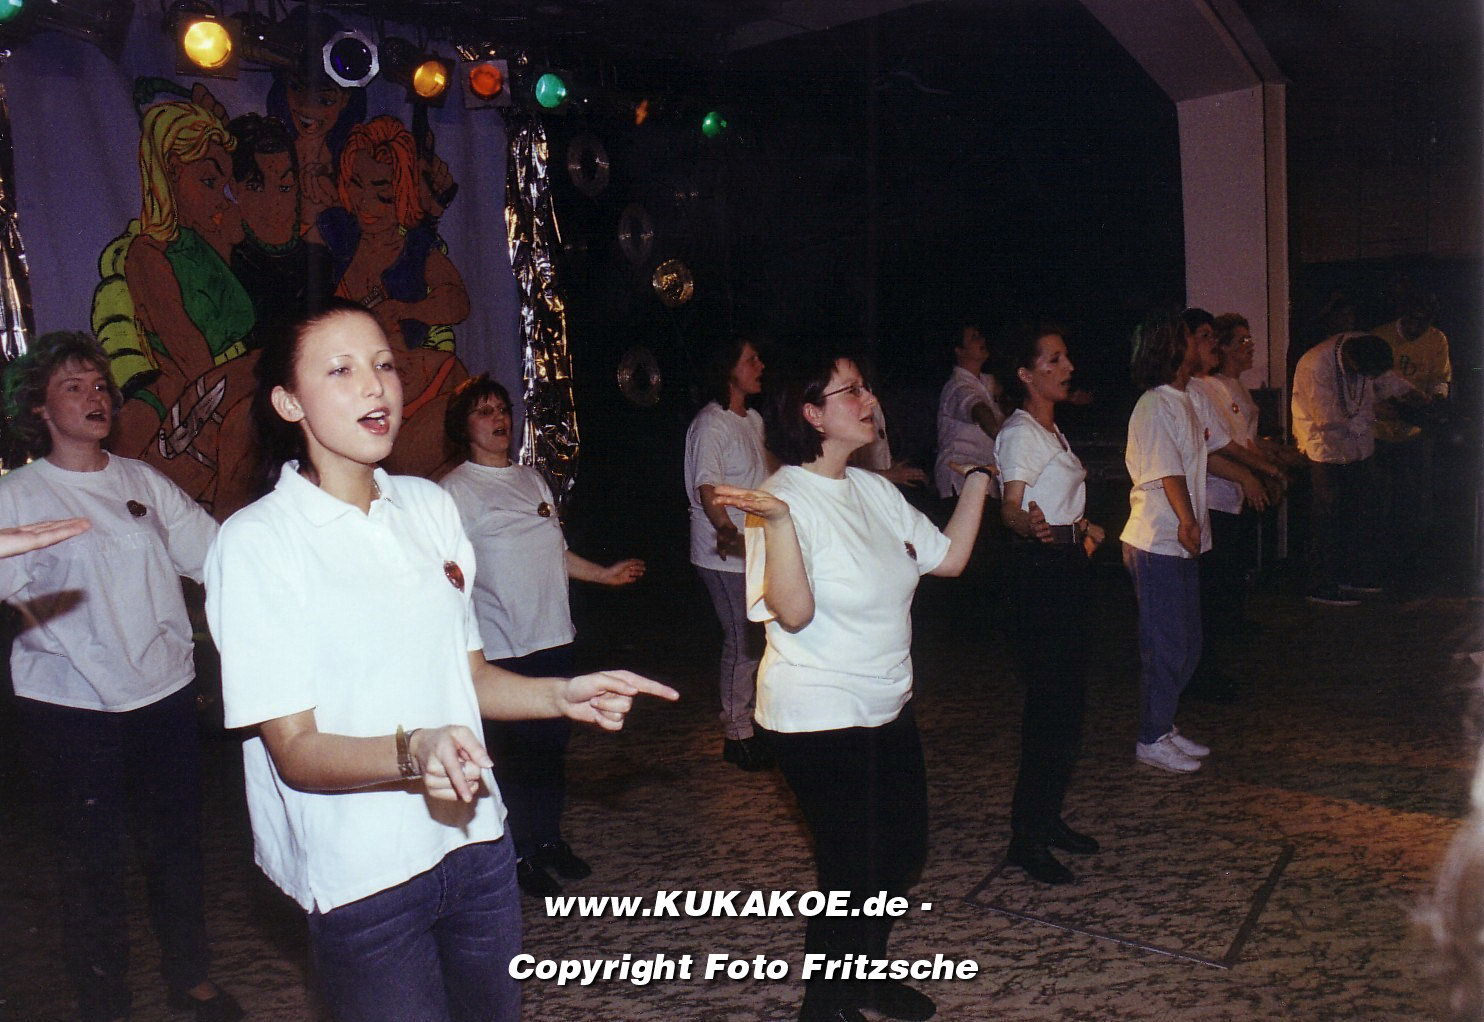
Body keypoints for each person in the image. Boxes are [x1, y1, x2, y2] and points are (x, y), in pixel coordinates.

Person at [204, 300, 676, 1022]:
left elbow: (470, 676)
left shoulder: (428, 506)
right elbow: (294, 752)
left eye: (383, 365)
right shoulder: (257, 543)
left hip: (475, 840)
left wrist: (560, 695)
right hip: (362, 877)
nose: (375, 385)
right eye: (341, 371)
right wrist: (414, 751)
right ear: (288, 402)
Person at [715, 352, 991, 1022]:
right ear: (812, 414)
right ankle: (825, 1005)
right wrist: (780, 524)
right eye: (851, 391)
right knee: (852, 867)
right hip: (815, 712)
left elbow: (949, 559)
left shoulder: (872, 489)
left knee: (902, 852)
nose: (869, 400)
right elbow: (795, 613)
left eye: (867, 387)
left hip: (886, 702)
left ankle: (865, 977)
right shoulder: (778, 499)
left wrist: (982, 479)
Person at [0, 332, 238, 1022]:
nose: (95, 397)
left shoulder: (142, 482)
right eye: (73, 387)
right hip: (69, 708)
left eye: (100, 385)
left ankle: (190, 978)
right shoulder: (18, 496)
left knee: (175, 850)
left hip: (162, 696)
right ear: (39, 407)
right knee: (90, 864)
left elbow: (219, 557)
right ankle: (104, 999)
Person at [439, 375, 645, 897]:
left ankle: (549, 839)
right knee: (512, 759)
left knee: (551, 751)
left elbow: (555, 551)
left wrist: (605, 575)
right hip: (501, 647)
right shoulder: (453, 491)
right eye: (484, 411)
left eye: (502, 408)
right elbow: (442, 572)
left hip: (552, 635)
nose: (498, 418)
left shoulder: (532, 479)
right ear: (463, 426)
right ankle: (518, 853)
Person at [994, 323, 1104, 885]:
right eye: (1053, 360)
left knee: (1068, 705)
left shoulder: (1051, 430)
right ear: (1025, 374)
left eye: (1066, 358)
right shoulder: (1019, 432)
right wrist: (1030, 526)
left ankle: (1047, 818)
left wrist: (1081, 527)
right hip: (1039, 573)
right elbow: (1010, 506)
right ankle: (1027, 838)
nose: (1067, 368)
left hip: (1065, 565)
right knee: (1049, 707)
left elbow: (1055, 498)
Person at [318, 115, 471, 478]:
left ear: (403, 192)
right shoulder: (335, 237)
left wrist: (403, 309)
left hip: (413, 389)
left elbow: (457, 302)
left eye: (382, 194)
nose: (366, 203)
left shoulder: (415, 250)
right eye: (357, 186)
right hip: (345, 397)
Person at [1121, 310, 1215, 774]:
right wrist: (1188, 521)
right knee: (1167, 646)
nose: (1203, 344)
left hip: (1179, 541)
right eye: (1192, 337)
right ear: (1172, 348)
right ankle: (1150, 737)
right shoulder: (1154, 404)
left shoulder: (1187, 398)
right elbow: (1167, 471)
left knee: (1188, 644)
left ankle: (1163, 722)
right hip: (1158, 540)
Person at [1182, 308, 1285, 702]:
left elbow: (1234, 441)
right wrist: (1253, 474)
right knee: (1205, 595)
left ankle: (1207, 667)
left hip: (1224, 501)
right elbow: (1210, 450)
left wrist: (1266, 467)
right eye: (1205, 337)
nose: (1213, 344)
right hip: (1207, 501)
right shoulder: (1187, 391)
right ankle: (1199, 674)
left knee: (1219, 588)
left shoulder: (1216, 388)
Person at [684, 335, 772, 770]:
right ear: (728, 371)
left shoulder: (752, 419)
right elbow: (707, 487)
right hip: (721, 553)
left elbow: (769, 470)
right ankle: (737, 734)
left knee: (758, 638)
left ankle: (755, 723)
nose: (760, 366)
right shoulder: (710, 424)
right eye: (750, 360)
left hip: (752, 547)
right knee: (742, 639)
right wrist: (723, 527)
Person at [1290, 331, 1418, 606]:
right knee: (1328, 518)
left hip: (1359, 446)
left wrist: (1413, 395)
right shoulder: (1316, 365)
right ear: (1351, 361)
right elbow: (1326, 418)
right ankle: (1322, 584)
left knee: (1362, 511)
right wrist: (1376, 413)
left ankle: (1352, 575)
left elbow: (1386, 379)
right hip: (1325, 449)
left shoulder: (1362, 345)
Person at [1371, 292, 1451, 589]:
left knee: (1411, 499)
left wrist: (1436, 400)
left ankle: (1407, 564)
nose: (1417, 328)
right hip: (1379, 432)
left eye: (1424, 322)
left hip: (1413, 433)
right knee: (1379, 499)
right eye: (1412, 320)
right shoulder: (1380, 337)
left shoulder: (1437, 340)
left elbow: (1441, 378)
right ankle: (1378, 562)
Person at [935, 322, 1004, 499]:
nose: (982, 340)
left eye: (979, 335)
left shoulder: (986, 382)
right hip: (960, 478)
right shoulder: (957, 386)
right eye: (974, 337)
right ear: (959, 350)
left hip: (985, 476)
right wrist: (1004, 438)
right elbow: (978, 410)